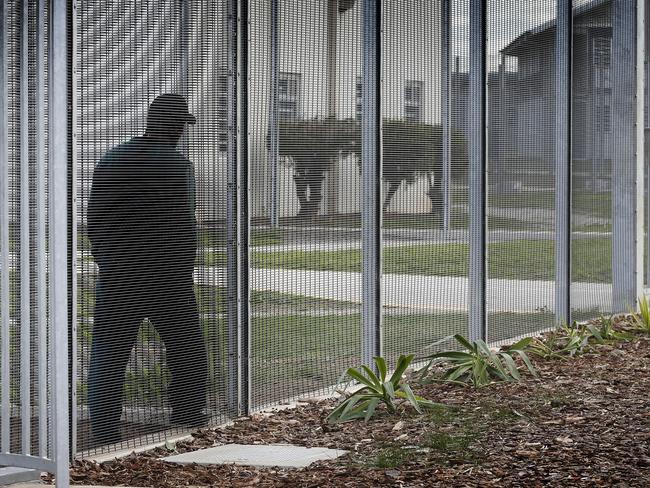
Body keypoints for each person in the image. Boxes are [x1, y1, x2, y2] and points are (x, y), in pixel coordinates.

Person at [87, 93, 208, 444]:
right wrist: (183, 269)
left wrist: (107, 260)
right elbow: (185, 222)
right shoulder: (177, 164)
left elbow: (93, 220)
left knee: (108, 353)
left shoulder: (109, 160)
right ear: (174, 127)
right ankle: (187, 412)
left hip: (119, 274)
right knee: (186, 347)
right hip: (167, 276)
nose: (183, 132)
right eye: (182, 125)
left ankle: (105, 431)